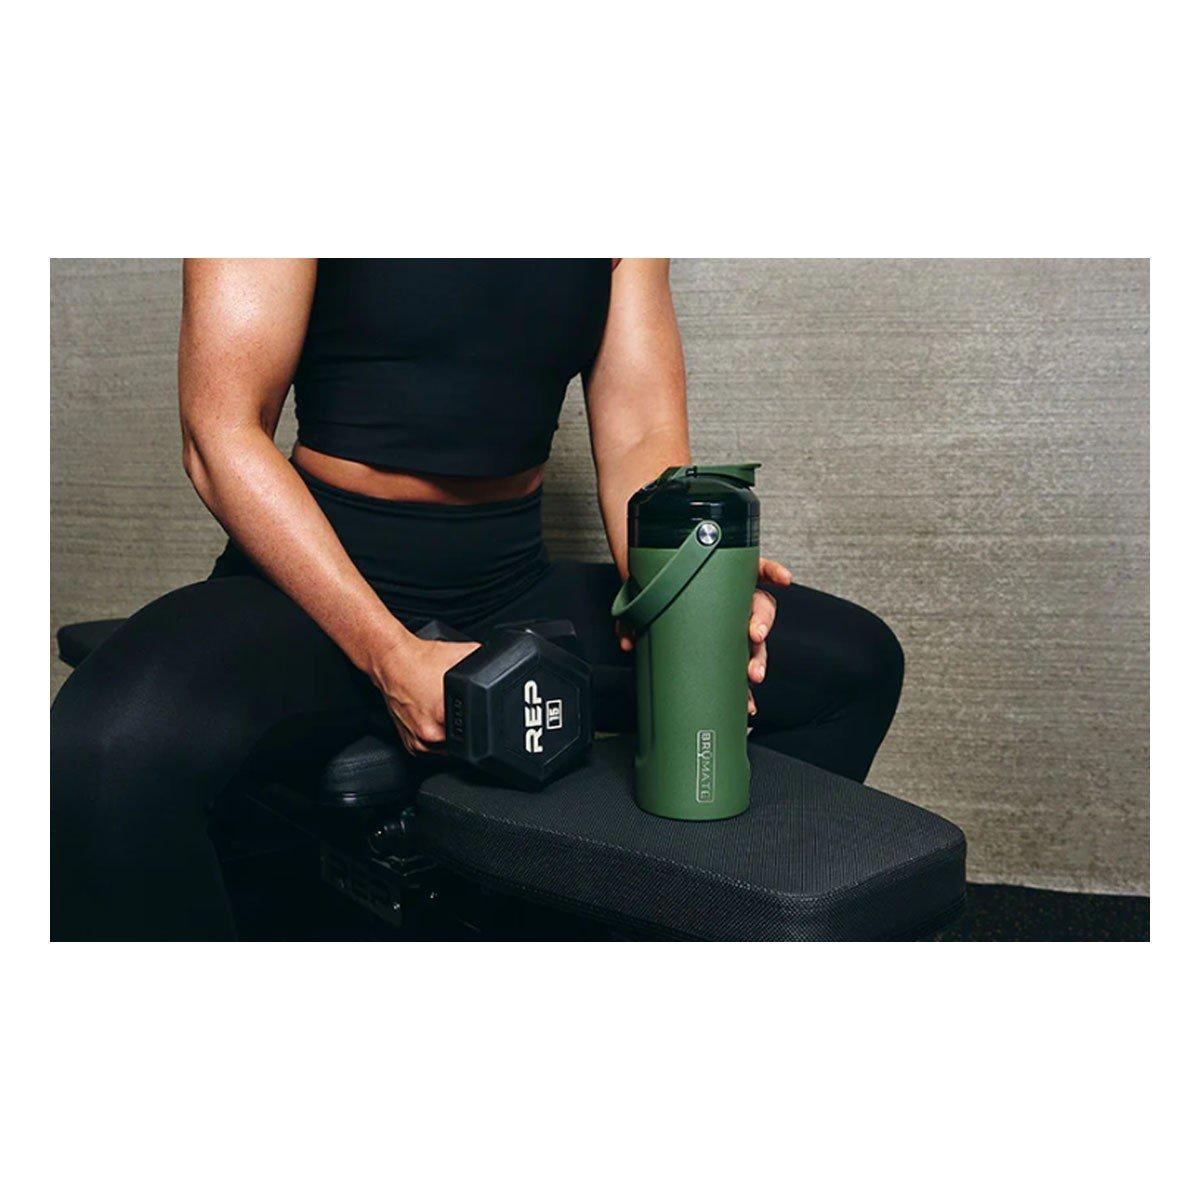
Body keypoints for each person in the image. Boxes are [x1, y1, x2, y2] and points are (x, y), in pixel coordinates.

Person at [50, 259, 904, 939]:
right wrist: (390, 654)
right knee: (103, 749)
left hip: (508, 586)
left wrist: (690, 596)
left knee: (849, 667)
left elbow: (642, 430)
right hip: (313, 591)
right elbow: (221, 432)